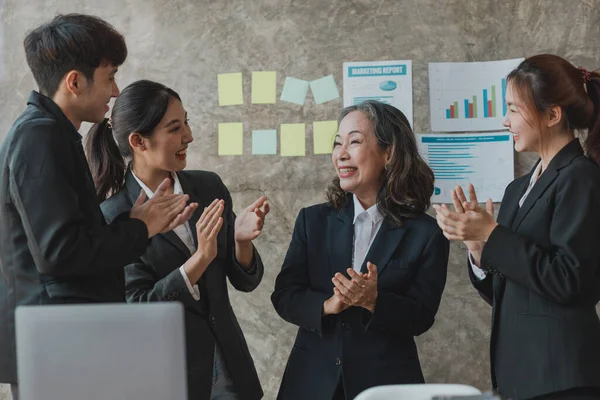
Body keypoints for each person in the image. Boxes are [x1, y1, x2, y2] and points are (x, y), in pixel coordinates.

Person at [0, 15, 196, 400]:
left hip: (62, 341)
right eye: (109, 77)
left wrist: (135, 222)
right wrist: (142, 228)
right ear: (74, 82)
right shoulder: (40, 137)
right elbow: (60, 253)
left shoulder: (50, 133)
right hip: (56, 345)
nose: (115, 90)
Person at [433, 54, 600, 400]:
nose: (504, 121)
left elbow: (572, 281)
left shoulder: (581, 178)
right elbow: (507, 294)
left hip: (563, 378)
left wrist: (492, 234)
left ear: (552, 115)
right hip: (521, 376)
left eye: (512, 109)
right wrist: (479, 251)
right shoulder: (516, 190)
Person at [87, 79, 266, 400]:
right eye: (175, 128)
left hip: (232, 368)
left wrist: (240, 242)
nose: (189, 136)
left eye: (186, 122)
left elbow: (245, 281)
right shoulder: (113, 216)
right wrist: (198, 261)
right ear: (139, 141)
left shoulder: (209, 187)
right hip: (166, 377)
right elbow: (138, 307)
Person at [271, 100, 449, 400]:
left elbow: (421, 317)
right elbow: (285, 295)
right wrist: (328, 304)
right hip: (312, 383)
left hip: (386, 384)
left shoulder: (427, 233)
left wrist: (374, 301)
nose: (341, 153)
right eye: (338, 143)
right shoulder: (312, 221)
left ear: (389, 153)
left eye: (354, 142)